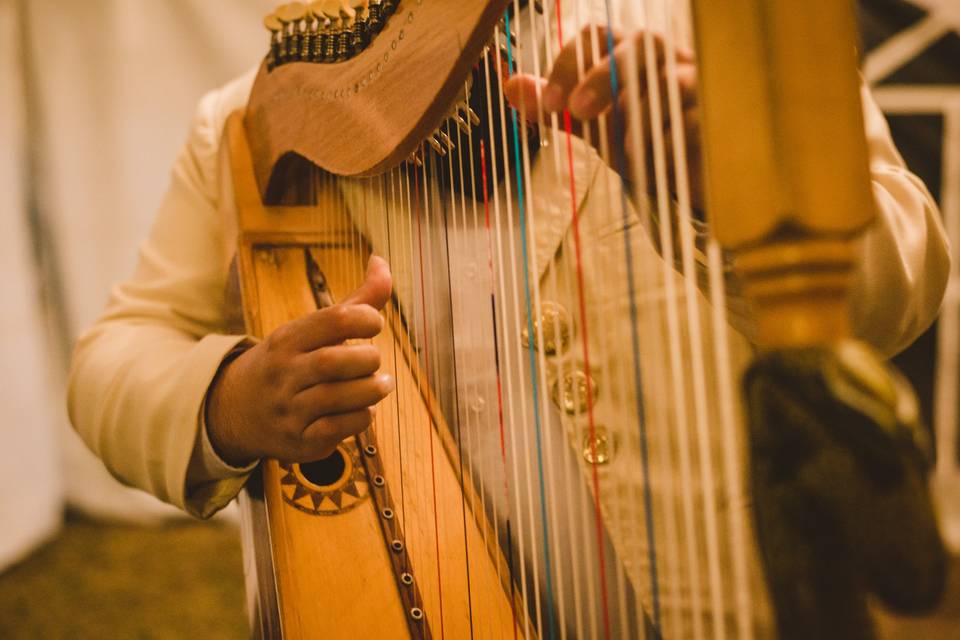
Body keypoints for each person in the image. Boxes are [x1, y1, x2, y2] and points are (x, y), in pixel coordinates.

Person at [68, 3, 950, 637]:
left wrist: (726, 182)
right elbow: (113, 357)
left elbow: (902, 294)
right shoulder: (249, 120)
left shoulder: (727, 28)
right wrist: (229, 400)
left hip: (712, 600)